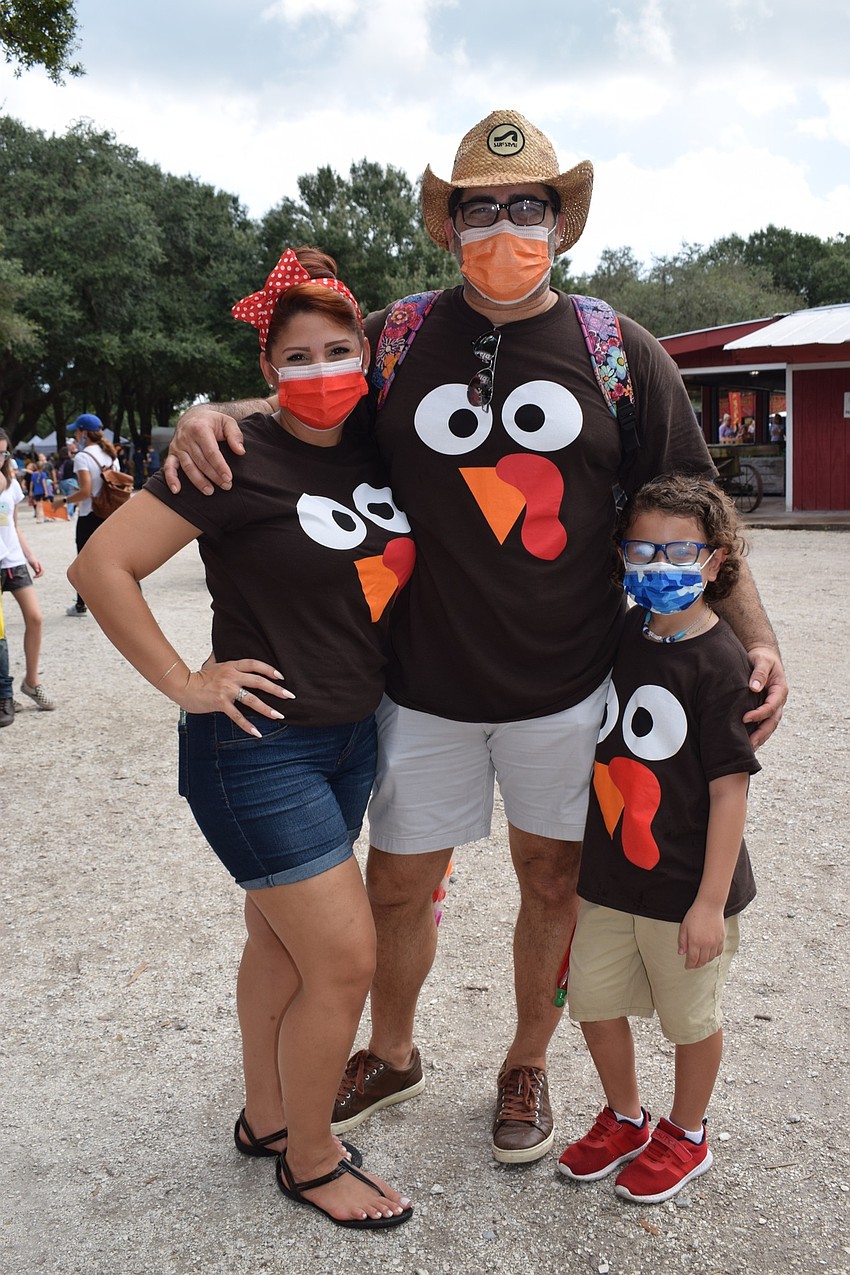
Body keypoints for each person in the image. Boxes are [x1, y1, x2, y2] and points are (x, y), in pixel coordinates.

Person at [164, 108, 788, 1165]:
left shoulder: (619, 351)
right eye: (479, 208)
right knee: (399, 883)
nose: (504, 226)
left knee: (553, 881)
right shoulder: (403, 338)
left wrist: (760, 640)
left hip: (570, 683)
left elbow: (692, 506)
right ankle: (394, 1050)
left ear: (561, 220)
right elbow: (305, 408)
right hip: (418, 683)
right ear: (447, 226)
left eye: (526, 206)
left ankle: (525, 1061)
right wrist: (203, 408)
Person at [68, 247, 414, 1230]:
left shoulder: (379, 444)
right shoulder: (232, 454)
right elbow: (100, 568)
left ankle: (268, 1117)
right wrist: (186, 679)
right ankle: (311, 1158)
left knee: (278, 939)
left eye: (337, 349)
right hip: (256, 750)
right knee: (343, 962)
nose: (318, 370)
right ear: (267, 370)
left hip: (352, 737)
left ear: (366, 354)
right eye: (294, 356)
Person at [558, 474, 759, 1204]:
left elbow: (729, 790)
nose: (658, 564)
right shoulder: (624, 630)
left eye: (679, 550)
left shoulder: (722, 662)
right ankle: (625, 1116)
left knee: (688, 1018)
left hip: (686, 888)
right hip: (611, 877)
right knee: (593, 1000)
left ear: (714, 560)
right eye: (642, 550)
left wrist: (710, 903)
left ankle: (687, 1130)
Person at [0, 431, 55, 711]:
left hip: (12, 560)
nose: (1, 459)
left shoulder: (10, 484)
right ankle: (3, 692)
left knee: (35, 617)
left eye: (4, 453)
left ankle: (31, 682)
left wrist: (30, 555)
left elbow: (13, 524)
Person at [53, 414, 121, 615]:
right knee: (117, 558)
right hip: (111, 513)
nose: (75, 435)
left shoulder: (83, 457)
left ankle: (81, 604)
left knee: (83, 563)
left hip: (90, 514)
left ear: (84, 433)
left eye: (76, 431)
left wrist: (63, 501)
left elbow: (85, 491)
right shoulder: (110, 455)